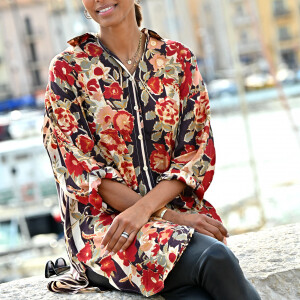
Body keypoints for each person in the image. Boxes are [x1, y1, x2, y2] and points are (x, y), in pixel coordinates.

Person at [43, 0, 261, 299]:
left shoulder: (177, 58)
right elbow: (82, 169)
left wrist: (155, 212)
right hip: (106, 232)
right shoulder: (68, 69)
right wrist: (168, 218)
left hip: (177, 218)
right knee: (215, 258)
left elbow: (195, 152)